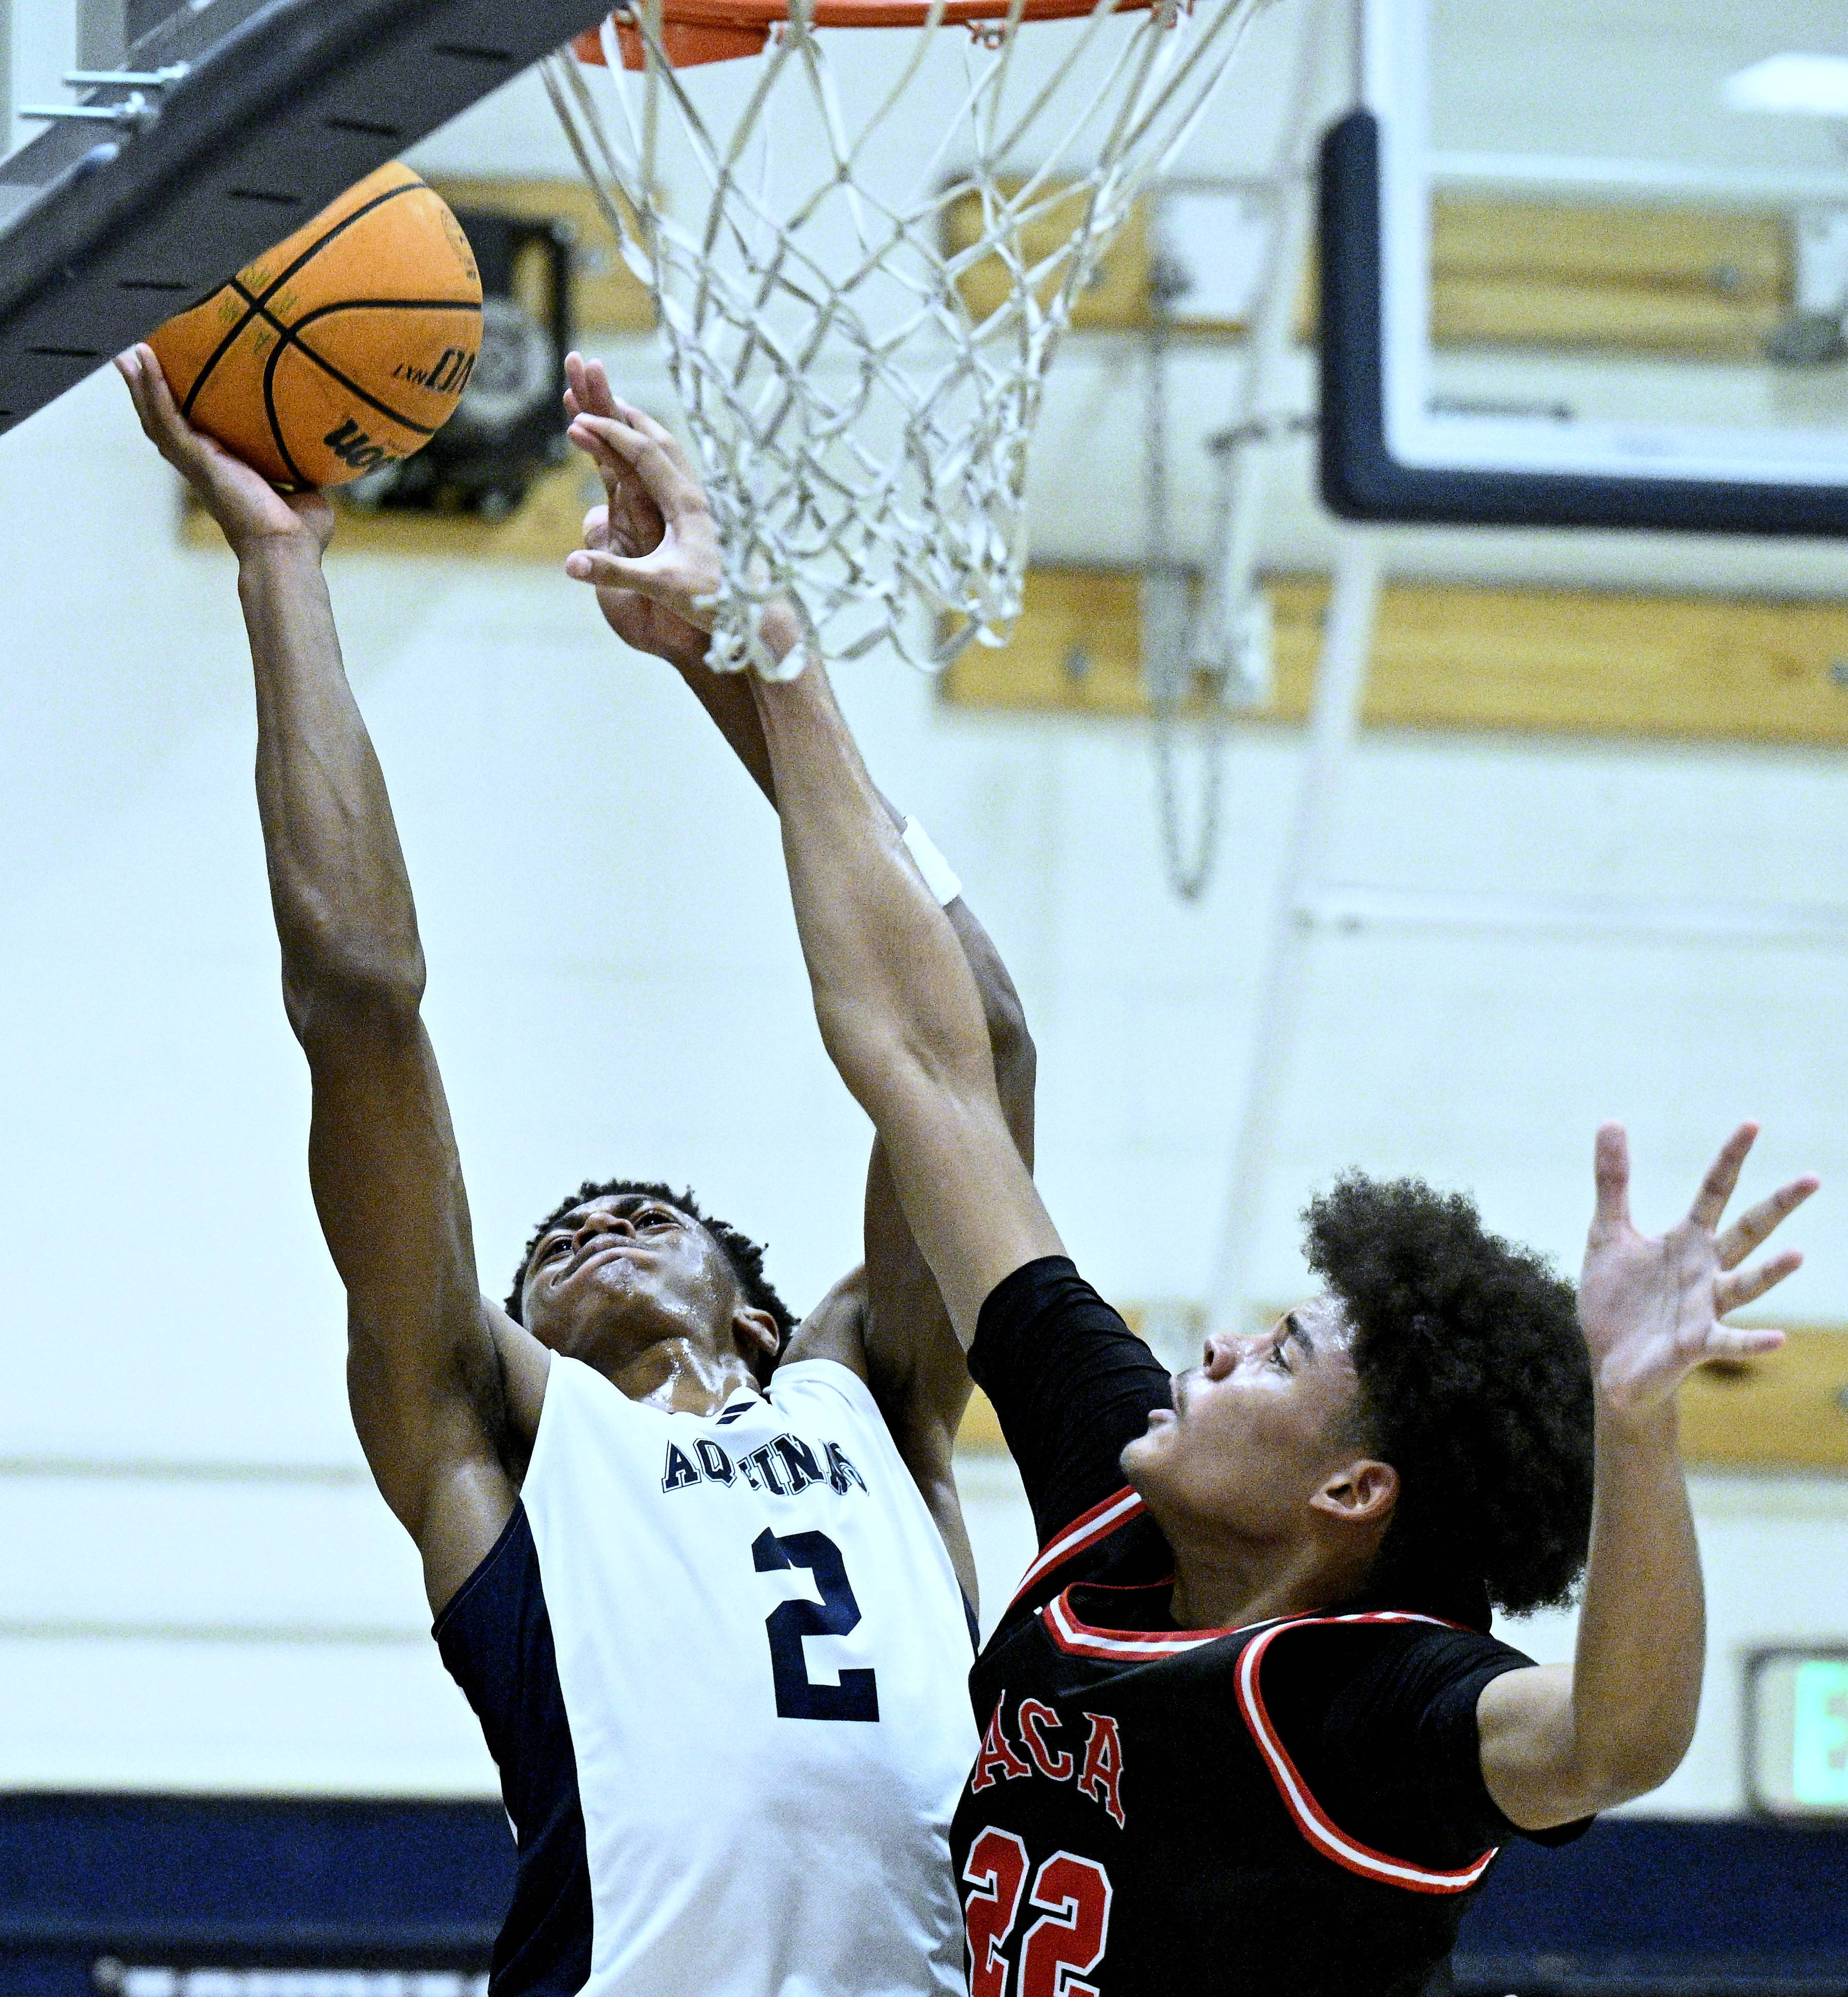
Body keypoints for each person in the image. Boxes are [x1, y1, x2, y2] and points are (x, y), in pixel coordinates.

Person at [557, 391, 1820, 1997]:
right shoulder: (1122, 1483)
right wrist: (761, 646)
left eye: (1283, 1356)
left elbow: (1615, 1741)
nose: (1214, 1350)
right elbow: (931, 1064)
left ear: (1355, 1494)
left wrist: (1640, 1425)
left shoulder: (1365, 1703)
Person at [115, 340, 1037, 1997]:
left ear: (764, 1319)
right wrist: (280, 567)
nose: (600, 1223)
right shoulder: (496, 1436)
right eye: (557, 1244)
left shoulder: (874, 1402)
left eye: (654, 1219)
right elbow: (357, 1000)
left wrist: (735, 656)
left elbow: (977, 1033)